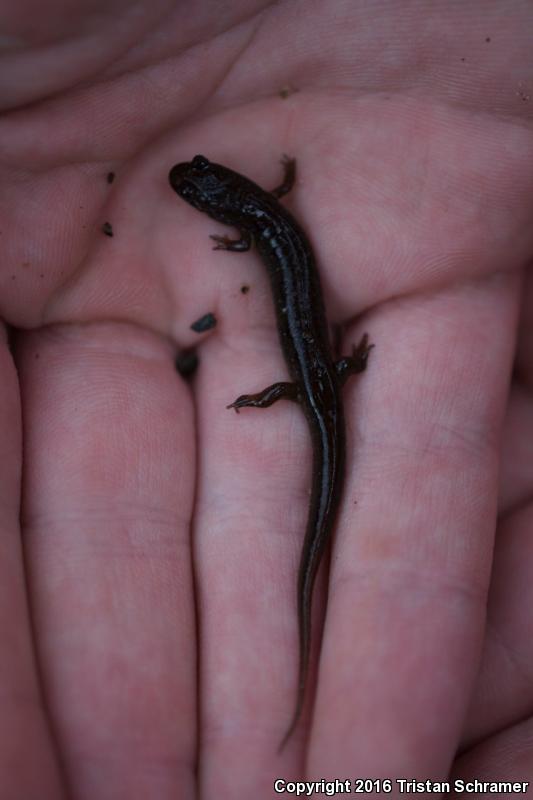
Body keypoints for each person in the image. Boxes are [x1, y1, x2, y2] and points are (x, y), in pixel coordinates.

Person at [1, 1, 532, 797]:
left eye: (200, 193)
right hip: (317, 371)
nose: (197, 194)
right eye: (198, 195)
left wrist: (273, 392)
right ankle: (314, 399)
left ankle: (305, 409)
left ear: (223, 202)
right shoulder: (262, 211)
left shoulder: (253, 223)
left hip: (316, 375)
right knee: (312, 386)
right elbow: (273, 196)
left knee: (310, 391)